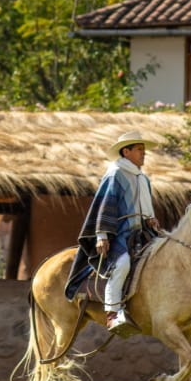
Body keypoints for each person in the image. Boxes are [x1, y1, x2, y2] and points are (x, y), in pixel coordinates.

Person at [64, 131, 160, 332]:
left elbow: (145, 208)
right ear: (126, 152)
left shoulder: (143, 179)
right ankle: (113, 314)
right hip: (119, 234)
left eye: (144, 150)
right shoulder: (115, 174)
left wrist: (150, 219)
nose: (144, 153)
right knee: (122, 263)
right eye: (139, 149)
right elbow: (105, 205)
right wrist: (102, 236)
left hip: (141, 234)